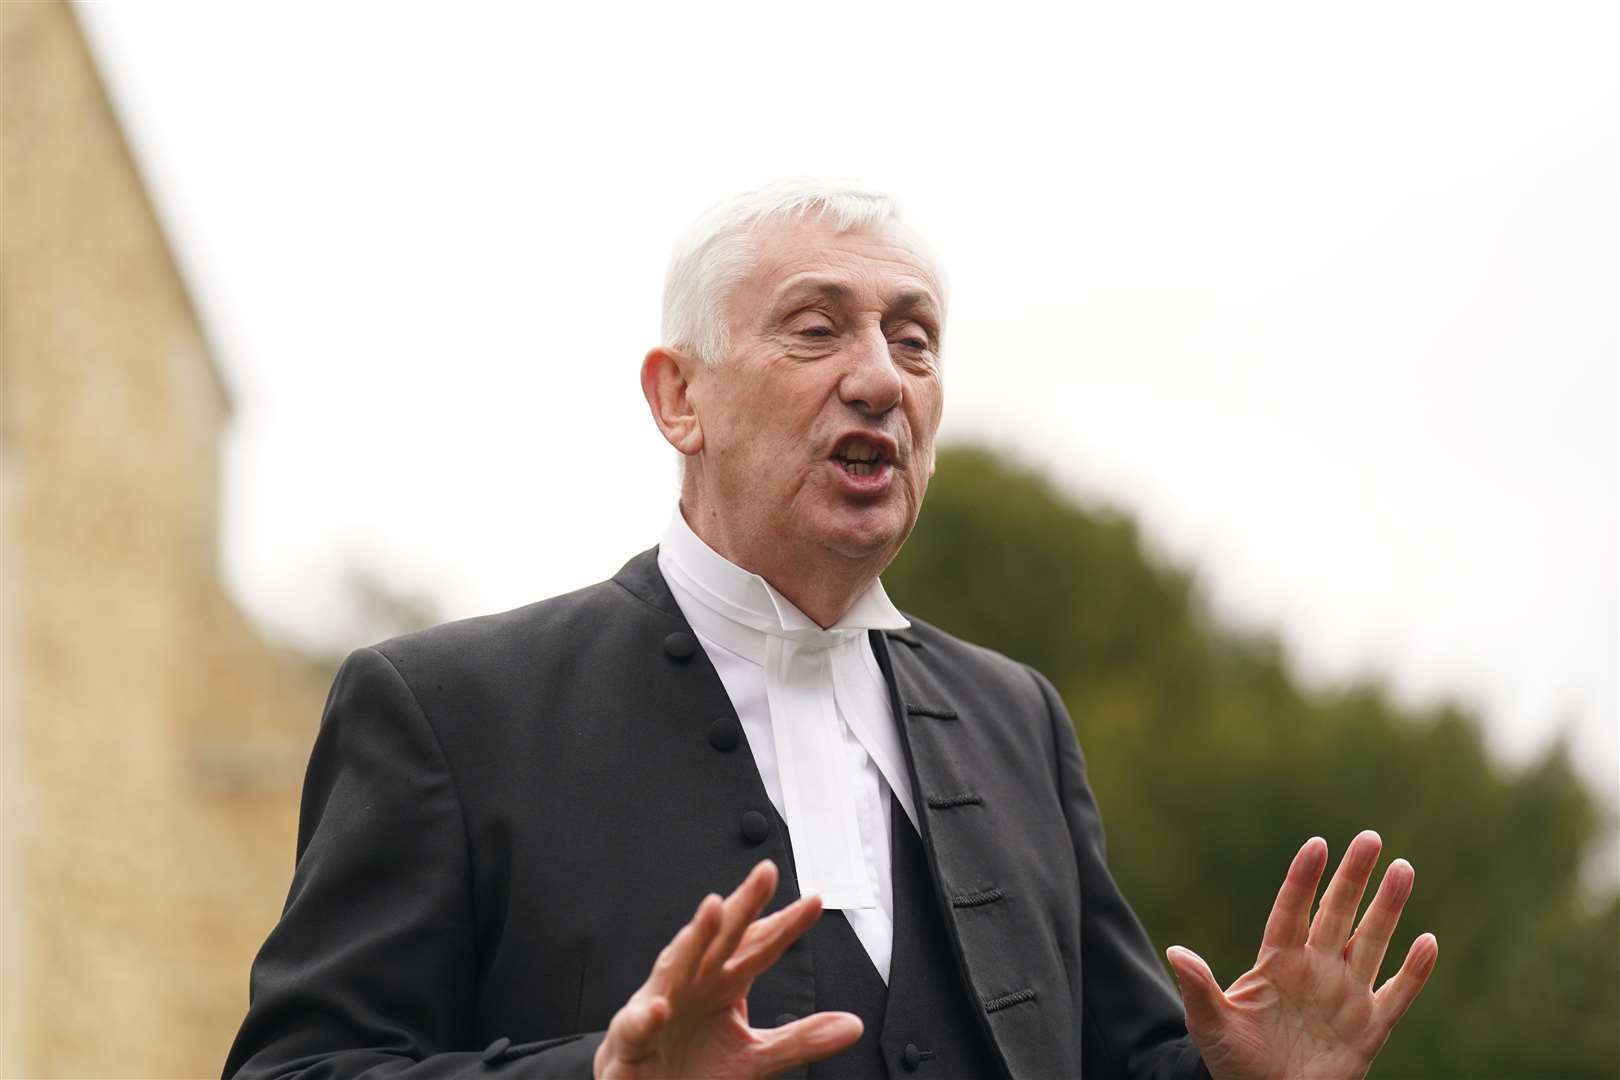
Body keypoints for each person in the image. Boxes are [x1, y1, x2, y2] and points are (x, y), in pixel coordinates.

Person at [225, 179, 1437, 1080]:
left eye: (915, 341)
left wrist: (1239, 1078)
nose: (881, 379)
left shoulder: (1019, 720)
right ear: (677, 397)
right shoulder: (448, 709)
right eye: (818, 329)